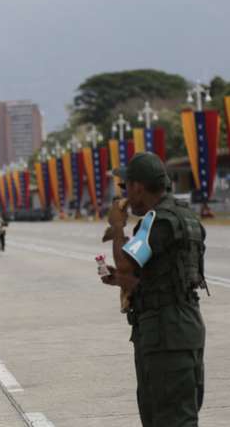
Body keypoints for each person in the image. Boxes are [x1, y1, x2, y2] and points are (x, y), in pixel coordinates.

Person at [101, 153, 206, 427]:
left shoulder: (157, 221)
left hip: (166, 333)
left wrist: (117, 225)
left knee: (172, 419)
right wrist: (123, 282)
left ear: (138, 187)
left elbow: (125, 265)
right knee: (168, 416)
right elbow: (163, 278)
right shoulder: (185, 216)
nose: (124, 195)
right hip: (181, 327)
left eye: (125, 187)